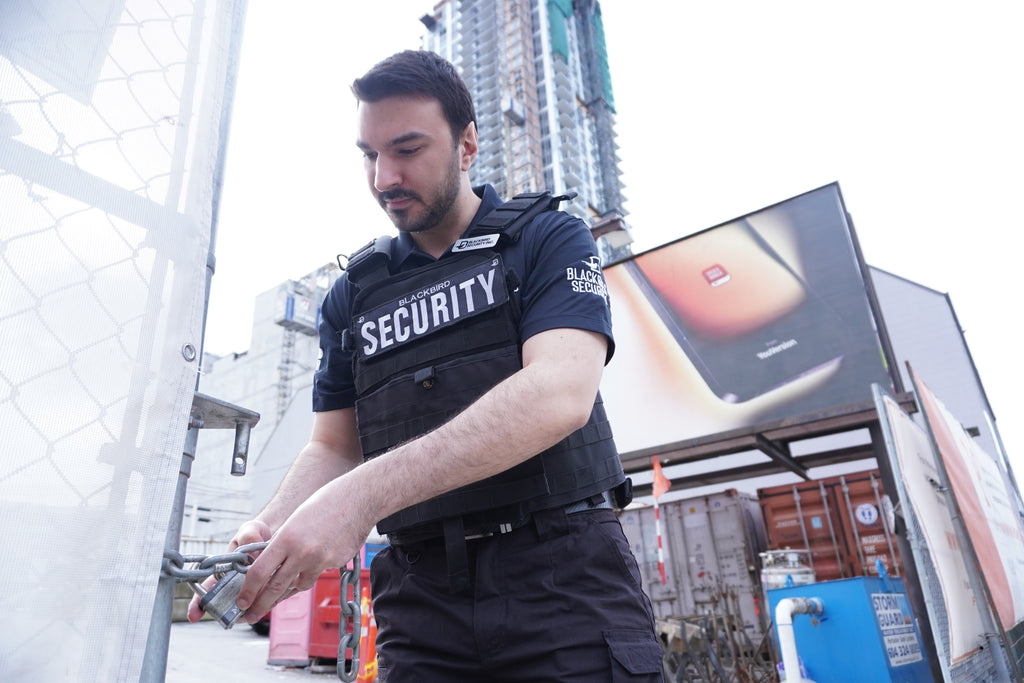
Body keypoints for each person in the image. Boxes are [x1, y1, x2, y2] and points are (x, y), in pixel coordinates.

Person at [190, 49, 663, 682]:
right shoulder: (353, 296)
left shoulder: (547, 239)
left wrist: (358, 501)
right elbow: (334, 447)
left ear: (467, 145)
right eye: (369, 154)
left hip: (562, 583)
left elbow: (558, 393)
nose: (384, 176)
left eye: (407, 148)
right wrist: (271, 529)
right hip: (419, 605)